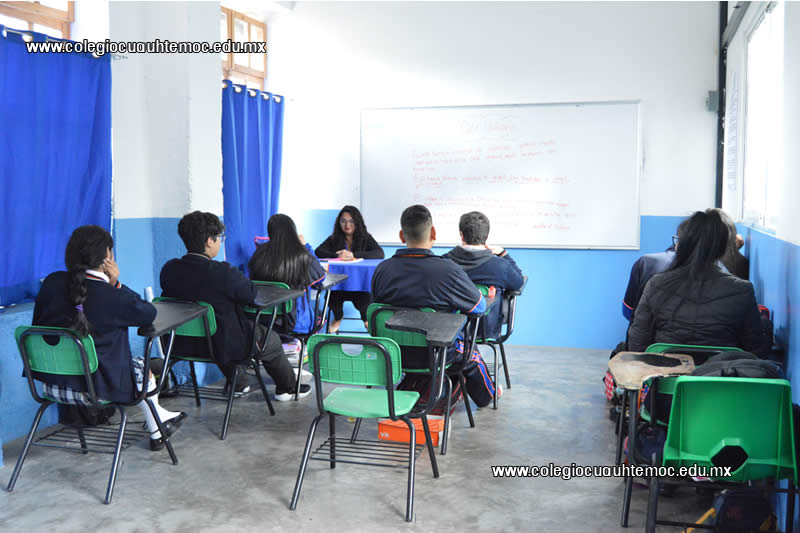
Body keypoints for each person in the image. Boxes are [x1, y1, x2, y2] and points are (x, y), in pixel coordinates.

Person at [32, 225, 186, 451]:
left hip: (52, 385)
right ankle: (156, 425)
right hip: (99, 389)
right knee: (142, 365)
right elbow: (148, 313)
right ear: (107, 256)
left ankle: (158, 423)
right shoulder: (111, 296)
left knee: (130, 365)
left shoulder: (51, 283)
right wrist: (116, 283)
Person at [160, 211, 310, 401]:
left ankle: (239, 382)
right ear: (209, 241)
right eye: (219, 238)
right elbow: (250, 294)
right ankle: (287, 388)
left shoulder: (169, 269)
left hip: (182, 345)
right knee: (268, 339)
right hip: (221, 345)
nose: (220, 242)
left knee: (224, 328)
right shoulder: (222, 272)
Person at [371, 204, 498, 407]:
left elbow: (375, 311)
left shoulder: (382, 270)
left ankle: (419, 385)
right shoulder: (448, 271)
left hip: (392, 353)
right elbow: (479, 308)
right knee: (470, 353)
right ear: (434, 233)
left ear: (401, 236)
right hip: (437, 353)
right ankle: (488, 397)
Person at [627, 209, 767, 356]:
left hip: (664, 377)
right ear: (721, 249)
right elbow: (754, 351)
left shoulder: (656, 284)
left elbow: (637, 345)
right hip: (720, 376)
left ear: (681, 246)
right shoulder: (743, 290)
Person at [442, 211, 524, 339]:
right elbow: (518, 282)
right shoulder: (500, 266)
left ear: (461, 235)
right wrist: (503, 253)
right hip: (487, 331)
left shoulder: (445, 263)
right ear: (486, 236)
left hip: (451, 331)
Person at [248, 213, 326, 334]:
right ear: (292, 231)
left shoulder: (258, 254)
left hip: (262, 319)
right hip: (294, 322)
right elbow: (321, 276)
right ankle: (308, 350)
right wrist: (306, 246)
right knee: (321, 316)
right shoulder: (302, 255)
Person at [314, 205, 384, 332]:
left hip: (359, 285)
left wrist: (354, 255)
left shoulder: (366, 237)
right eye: (343, 221)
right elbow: (318, 251)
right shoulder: (334, 238)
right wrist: (336, 255)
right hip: (339, 285)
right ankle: (338, 318)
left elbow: (379, 253)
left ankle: (366, 320)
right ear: (339, 223)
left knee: (365, 302)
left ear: (357, 222)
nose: (347, 224)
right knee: (332, 299)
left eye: (351, 221)